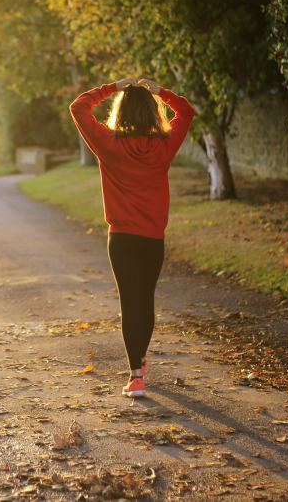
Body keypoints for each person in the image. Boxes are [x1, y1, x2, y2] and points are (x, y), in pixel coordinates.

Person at [69, 76, 196, 397]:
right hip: (153, 238)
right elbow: (187, 112)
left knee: (130, 303)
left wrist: (113, 87)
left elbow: (79, 107)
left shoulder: (108, 144)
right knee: (146, 301)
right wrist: (160, 91)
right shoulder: (164, 145)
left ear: (120, 112)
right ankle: (139, 359)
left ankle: (136, 374)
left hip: (122, 239)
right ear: (153, 113)